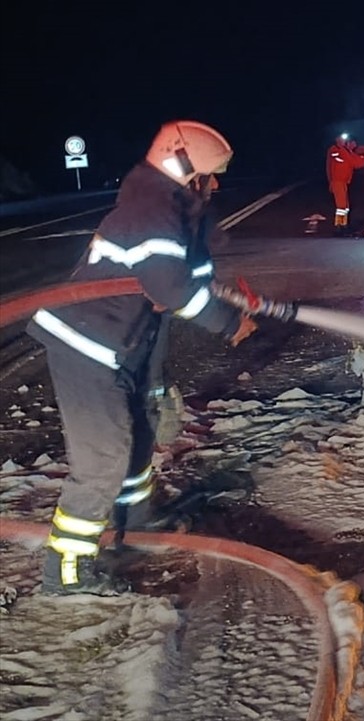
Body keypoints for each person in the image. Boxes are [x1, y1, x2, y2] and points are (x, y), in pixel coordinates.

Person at [27, 120, 258, 595]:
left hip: (120, 345)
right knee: (103, 458)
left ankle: (136, 521)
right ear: (182, 165)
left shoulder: (173, 209)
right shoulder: (151, 209)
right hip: (85, 345)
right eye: (209, 176)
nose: (214, 185)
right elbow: (172, 289)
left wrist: (156, 379)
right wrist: (229, 322)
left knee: (137, 439)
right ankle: (66, 573)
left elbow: (184, 283)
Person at [325, 133, 364, 235]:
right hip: (338, 182)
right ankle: (338, 226)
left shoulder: (344, 151)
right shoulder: (336, 150)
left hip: (342, 182)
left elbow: (354, 160)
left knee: (345, 206)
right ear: (337, 140)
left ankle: (344, 225)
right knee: (341, 206)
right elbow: (355, 163)